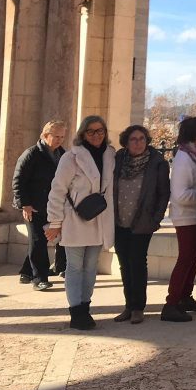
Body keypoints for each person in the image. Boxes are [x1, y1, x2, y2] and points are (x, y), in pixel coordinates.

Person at [45, 116, 115, 330]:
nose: (96, 135)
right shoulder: (71, 157)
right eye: (91, 131)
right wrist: (55, 222)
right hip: (75, 220)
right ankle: (76, 311)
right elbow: (57, 190)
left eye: (100, 131)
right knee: (75, 267)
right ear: (83, 133)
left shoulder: (110, 155)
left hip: (99, 218)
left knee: (91, 267)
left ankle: (85, 307)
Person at [112, 125, 170, 324]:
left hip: (142, 222)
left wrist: (156, 219)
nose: (138, 143)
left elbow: (164, 193)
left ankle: (138, 307)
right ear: (126, 142)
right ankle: (128, 305)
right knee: (124, 264)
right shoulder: (119, 160)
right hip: (119, 221)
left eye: (142, 139)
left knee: (137, 262)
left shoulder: (157, 163)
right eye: (133, 139)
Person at [162, 116, 196, 322]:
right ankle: (171, 302)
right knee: (185, 258)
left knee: (194, 257)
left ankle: (185, 296)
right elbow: (180, 195)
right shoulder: (183, 159)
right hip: (186, 217)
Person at [12, 120, 67, 291]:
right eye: (56, 136)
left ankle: (27, 271)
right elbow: (18, 181)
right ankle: (39, 279)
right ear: (45, 135)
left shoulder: (62, 154)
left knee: (42, 241)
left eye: (62, 137)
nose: (59, 140)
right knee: (37, 241)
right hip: (33, 207)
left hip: (52, 206)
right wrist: (25, 205)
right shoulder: (31, 154)